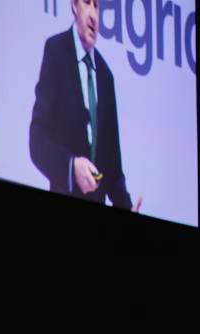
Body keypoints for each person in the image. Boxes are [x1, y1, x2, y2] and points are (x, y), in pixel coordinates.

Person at [29, 0, 142, 212]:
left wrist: (128, 211)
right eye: (87, 3)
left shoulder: (106, 76)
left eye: (97, 6)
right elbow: (37, 141)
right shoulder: (56, 51)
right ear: (74, 5)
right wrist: (71, 168)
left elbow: (113, 169)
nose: (93, 15)